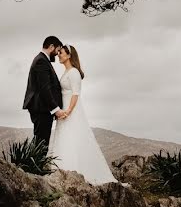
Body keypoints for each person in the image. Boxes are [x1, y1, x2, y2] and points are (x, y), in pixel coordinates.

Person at [48, 44, 117, 185]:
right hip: (64, 112)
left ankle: (75, 171)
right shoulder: (66, 72)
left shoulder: (74, 72)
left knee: (73, 137)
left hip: (70, 111)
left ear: (69, 55)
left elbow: (75, 94)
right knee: (65, 138)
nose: (59, 55)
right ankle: (64, 169)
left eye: (61, 53)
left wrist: (68, 111)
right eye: (59, 52)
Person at [22, 36, 67, 149]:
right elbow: (44, 89)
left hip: (42, 108)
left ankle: (37, 165)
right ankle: (37, 166)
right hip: (41, 108)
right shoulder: (41, 61)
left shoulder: (42, 60)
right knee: (42, 142)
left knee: (41, 141)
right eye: (57, 50)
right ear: (51, 47)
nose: (57, 54)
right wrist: (56, 110)